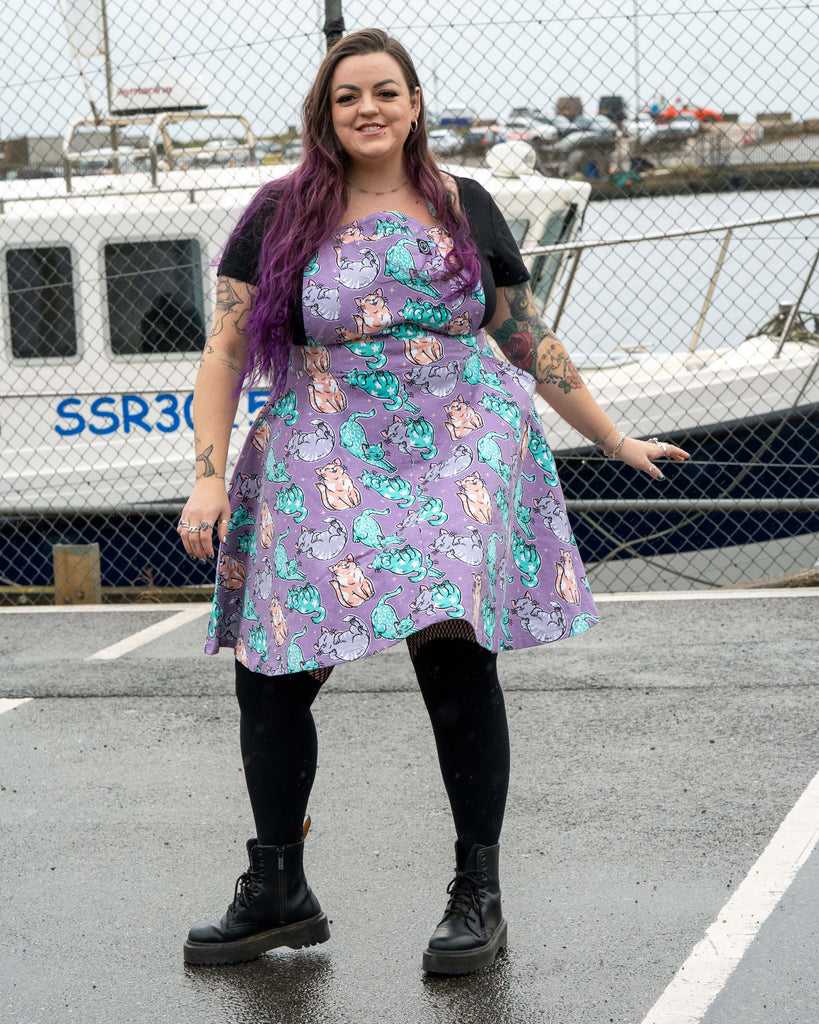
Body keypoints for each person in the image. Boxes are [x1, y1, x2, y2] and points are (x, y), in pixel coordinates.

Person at [177, 28, 688, 975]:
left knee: (452, 655)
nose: (367, 108)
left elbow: (524, 336)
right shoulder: (278, 214)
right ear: (324, 115)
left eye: (385, 91)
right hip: (322, 444)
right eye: (347, 97)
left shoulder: (465, 203)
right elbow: (226, 351)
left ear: (414, 104)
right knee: (272, 670)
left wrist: (612, 438)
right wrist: (207, 473)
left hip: (459, 445)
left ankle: (476, 894)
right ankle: (278, 886)